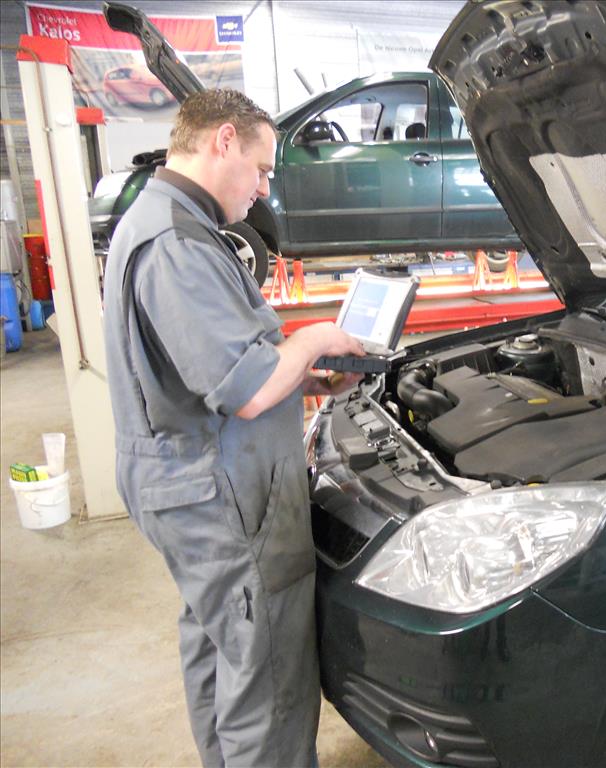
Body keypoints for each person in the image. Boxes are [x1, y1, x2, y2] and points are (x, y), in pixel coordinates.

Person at [102, 89, 363, 767]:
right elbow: (244, 392)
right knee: (267, 684)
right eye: (262, 168)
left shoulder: (165, 220)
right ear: (224, 141)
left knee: (220, 651)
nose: (263, 188)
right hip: (220, 496)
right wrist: (311, 342)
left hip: (187, 484)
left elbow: (215, 366)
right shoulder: (175, 243)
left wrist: (303, 379)